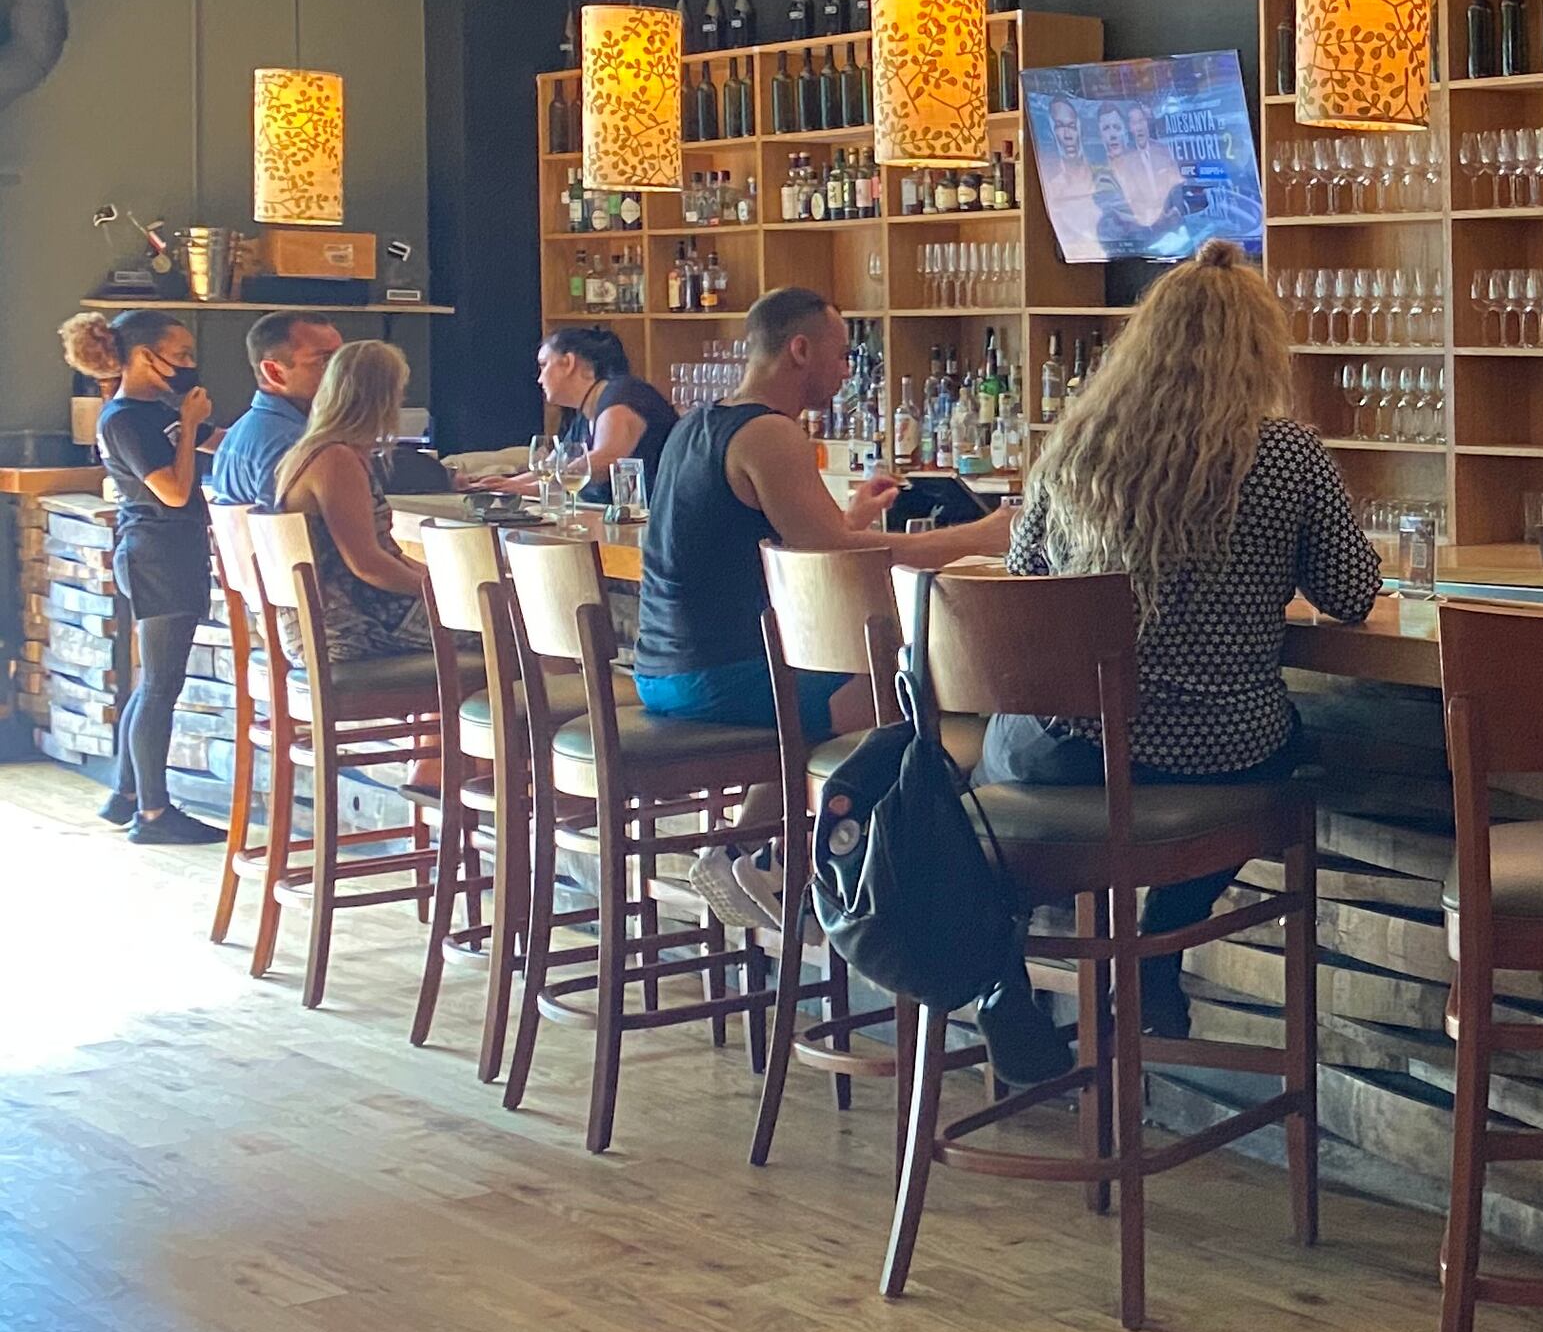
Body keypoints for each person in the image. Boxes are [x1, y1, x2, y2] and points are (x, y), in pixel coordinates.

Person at [977, 239, 1380, 1043]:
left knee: (987, 781)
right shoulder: (1287, 453)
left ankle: (1001, 973)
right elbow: (1352, 592)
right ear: (1262, 349)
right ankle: (1155, 957)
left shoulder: (1076, 449)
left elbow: (1025, 589)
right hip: (1220, 751)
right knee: (1285, 756)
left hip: (1073, 749)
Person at [630, 288, 1026, 1050]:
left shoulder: (697, 426)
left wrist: (855, 517)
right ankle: (858, 890)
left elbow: (802, 544)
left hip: (665, 670)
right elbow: (830, 559)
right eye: (842, 353)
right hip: (719, 679)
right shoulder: (770, 434)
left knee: (842, 696)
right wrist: (982, 533)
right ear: (799, 349)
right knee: (921, 697)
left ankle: (754, 850)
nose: (848, 370)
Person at [59, 307, 222, 845]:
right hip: (156, 554)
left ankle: (125, 791)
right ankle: (153, 813)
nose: (189, 365)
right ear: (143, 357)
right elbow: (173, 491)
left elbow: (215, 444)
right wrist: (193, 425)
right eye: (181, 355)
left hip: (167, 551)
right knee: (159, 685)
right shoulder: (124, 417)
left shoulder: (156, 410)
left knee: (151, 683)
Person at [268, 341, 434, 664]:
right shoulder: (335, 459)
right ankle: (519, 712)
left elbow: (389, 555)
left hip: (327, 620)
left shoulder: (312, 451)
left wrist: (448, 582)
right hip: (346, 626)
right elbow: (366, 564)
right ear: (380, 399)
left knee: (499, 612)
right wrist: (441, 593)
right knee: (512, 626)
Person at [469, 327, 674, 501]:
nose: (539, 379)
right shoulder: (585, 414)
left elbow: (606, 457)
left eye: (543, 365)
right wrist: (504, 485)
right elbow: (548, 470)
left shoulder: (622, 395)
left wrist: (533, 491)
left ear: (568, 363)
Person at [206, 310, 344, 511]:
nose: (344, 373)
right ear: (274, 372)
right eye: (325, 361)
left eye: (343, 361)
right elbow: (285, 538)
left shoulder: (240, 430)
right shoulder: (292, 443)